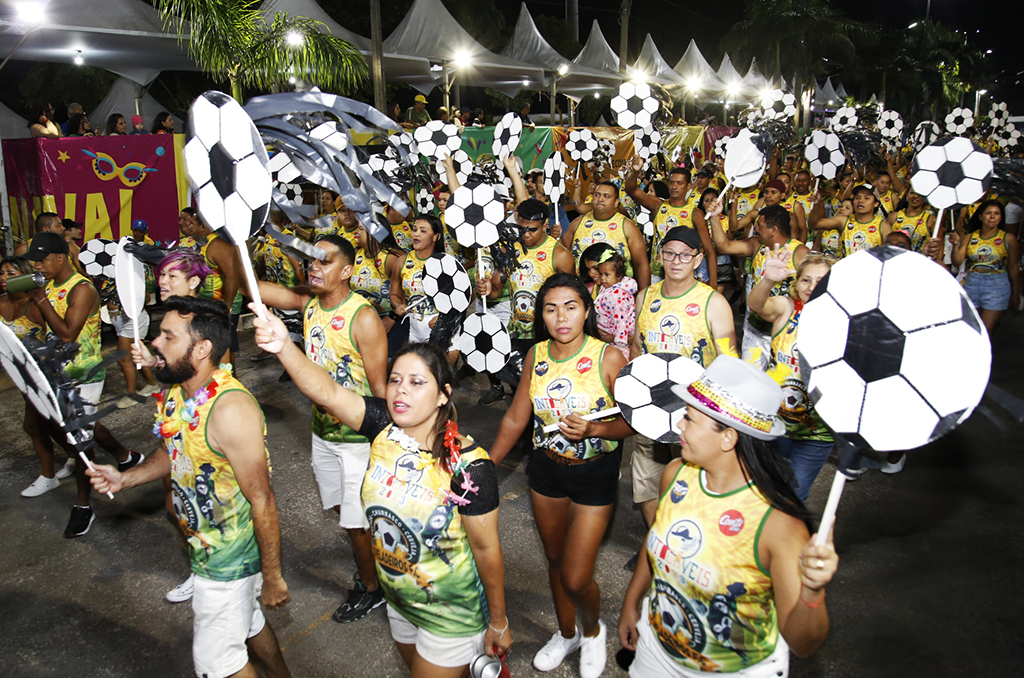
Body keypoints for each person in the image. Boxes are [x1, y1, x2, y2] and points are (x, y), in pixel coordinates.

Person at [253, 314, 512, 677]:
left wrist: (498, 620)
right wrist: (283, 346)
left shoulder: (469, 466)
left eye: (417, 382)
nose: (400, 390)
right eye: (394, 380)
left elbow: (487, 551)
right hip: (399, 601)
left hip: (451, 613)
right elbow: (325, 391)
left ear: (443, 395)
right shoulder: (381, 428)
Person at [88, 296, 293, 678]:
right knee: (250, 627)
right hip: (204, 546)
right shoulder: (179, 391)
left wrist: (273, 575)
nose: (155, 345)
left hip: (228, 557)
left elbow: (263, 500)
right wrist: (125, 477)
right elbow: (174, 447)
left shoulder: (231, 410)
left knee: (218, 665)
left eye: (167, 336)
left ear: (201, 349)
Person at [618, 355, 839, 677]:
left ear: (728, 437)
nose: (679, 424)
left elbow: (804, 645)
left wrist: (813, 591)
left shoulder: (778, 526)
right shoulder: (676, 474)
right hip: (656, 652)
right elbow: (656, 542)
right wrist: (632, 602)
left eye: (689, 419)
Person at [489, 273, 633, 678]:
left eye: (570, 306)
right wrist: (487, 465)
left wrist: (595, 430)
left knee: (576, 574)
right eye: (550, 309)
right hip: (547, 471)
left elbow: (632, 423)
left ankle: (591, 631)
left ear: (586, 311)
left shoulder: (608, 357)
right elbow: (518, 415)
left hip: (595, 474)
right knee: (554, 560)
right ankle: (567, 631)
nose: (561, 317)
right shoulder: (536, 355)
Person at [251, 234, 389, 622]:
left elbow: (380, 389)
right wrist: (235, 252)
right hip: (322, 432)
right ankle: (375, 566)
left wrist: (389, 441)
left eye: (324, 261)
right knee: (343, 510)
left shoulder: (362, 317)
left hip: (357, 438)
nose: (314, 267)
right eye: (311, 261)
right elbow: (255, 287)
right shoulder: (309, 304)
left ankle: (372, 587)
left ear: (347, 271)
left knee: (356, 520)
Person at [21, 233, 143, 535]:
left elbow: (66, 334)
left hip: (83, 374)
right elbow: (36, 320)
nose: (38, 265)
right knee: (63, 426)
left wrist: (40, 299)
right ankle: (126, 456)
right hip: (55, 372)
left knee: (78, 442)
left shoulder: (83, 288)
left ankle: (83, 507)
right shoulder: (48, 285)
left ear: (60, 258)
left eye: (42, 259)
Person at [629, 226, 737, 536]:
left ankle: (688, 541)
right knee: (647, 480)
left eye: (685, 255)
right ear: (660, 257)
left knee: (691, 481)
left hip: (694, 415)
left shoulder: (712, 303)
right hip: (649, 409)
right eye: (669, 254)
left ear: (698, 258)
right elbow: (637, 347)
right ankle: (656, 540)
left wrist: (716, 415)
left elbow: (729, 361)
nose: (676, 261)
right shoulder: (645, 297)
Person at [132, 249, 213, 603]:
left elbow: (211, 375)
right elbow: (170, 374)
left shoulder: (207, 318)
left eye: (172, 276)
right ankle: (200, 568)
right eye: (161, 275)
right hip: (173, 408)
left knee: (192, 501)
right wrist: (153, 361)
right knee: (175, 501)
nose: (162, 281)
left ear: (194, 281)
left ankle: (213, 571)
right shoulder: (170, 313)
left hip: (197, 417)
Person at [749, 251, 836, 501]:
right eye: (805, 279)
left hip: (817, 431)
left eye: (821, 280)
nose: (811, 286)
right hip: (777, 422)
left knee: (792, 495)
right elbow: (756, 305)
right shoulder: (787, 308)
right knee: (765, 489)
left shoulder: (846, 322)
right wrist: (767, 280)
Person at [476, 198, 575, 401]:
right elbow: (496, 290)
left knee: (548, 392)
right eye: (521, 229)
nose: (526, 235)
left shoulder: (560, 255)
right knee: (520, 394)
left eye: (532, 229)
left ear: (545, 225)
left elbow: (574, 301)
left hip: (548, 336)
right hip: (517, 335)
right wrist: (486, 289)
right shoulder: (510, 251)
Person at [1, 256, 72, 497]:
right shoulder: (0, 302)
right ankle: (77, 457)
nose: (4, 279)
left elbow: (59, 337)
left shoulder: (37, 304)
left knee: (33, 425)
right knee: (51, 423)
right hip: (20, 375)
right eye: (2, 273)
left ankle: (49, 476)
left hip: (46, 374)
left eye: (11, 274)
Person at [707, 202, 808, 370]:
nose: (756, 230)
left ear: (774, 230)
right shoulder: (756, 245)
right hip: (754, 329)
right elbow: (724, 246)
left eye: (760, 226)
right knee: (752, 378)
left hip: (784, 332)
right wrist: (715, 216)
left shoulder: (800, 253)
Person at [625, 159, 713, 285]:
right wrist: (636, 171)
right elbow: (631, 190)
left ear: (688, 186)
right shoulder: (657, 205)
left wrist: (713, 286)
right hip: (657, 273)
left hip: (682, 273)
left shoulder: (696, 214)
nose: (674, 186)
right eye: (671, 183)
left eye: (679, 183)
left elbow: (709, 251)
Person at [562, 181, 651, 289]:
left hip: (618, 296)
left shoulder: (628, 227)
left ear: (616, 202)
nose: (600, 199)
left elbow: (641, 264)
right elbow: (563, 255)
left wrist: (644, 296)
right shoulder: (577, 224)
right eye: (597, 195)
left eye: (606, 196)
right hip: (583, 292)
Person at [952, 199, 1020, 332]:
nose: (992, 216)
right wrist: (955, 245)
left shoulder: (1008, 238)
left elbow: (1013, 267)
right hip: (971, 283)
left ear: (1001, 217)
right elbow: (957, 262)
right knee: (969, 329)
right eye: (988, 213)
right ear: (980, 216)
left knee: (985, 331)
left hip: (997, 285)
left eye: (997, 213)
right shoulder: (969, 237)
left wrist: (1016, 293)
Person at [390, 215, 447, 344]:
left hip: (438, 327)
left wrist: (444, 318)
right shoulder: (402, 261)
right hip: (413, 327)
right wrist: (398, 305)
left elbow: (463, 297)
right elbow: (394, 294)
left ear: (436, 237)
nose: (416, 234)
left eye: (423, 231)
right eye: (414, 229)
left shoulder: (445, 262)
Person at [810, 184, 890, 257]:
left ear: (876, 203)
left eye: (866, 198)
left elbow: (891, 253)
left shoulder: (883, 226)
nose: (860, 201)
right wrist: (817, 204)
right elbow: (814, 224)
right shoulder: (843, 220)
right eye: (857, 197)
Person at [594, 250, 636, 358]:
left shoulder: (617, 295)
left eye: (607, 274)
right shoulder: (608, 288)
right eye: (601, 274)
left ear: (619, 276)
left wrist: (620, 343)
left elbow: (620, 320)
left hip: (617, 338)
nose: (602, 278)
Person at [886, 189, 936, 255]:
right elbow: (885, 241)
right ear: (907, 195)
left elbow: (939, 247)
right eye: (912, 193)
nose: (915, 196)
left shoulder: (931, 219)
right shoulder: (894, 216)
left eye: (919, 194)